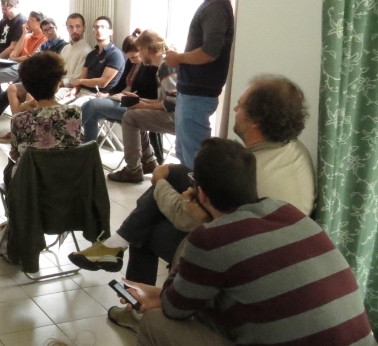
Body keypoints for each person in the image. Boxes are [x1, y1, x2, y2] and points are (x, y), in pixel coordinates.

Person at [69, 76, 317, 313]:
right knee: (178, 172)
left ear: (256, 120)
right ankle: (115, 246)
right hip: (272, 248)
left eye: (240, 106)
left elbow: (187, 219)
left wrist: (160, 182)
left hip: (244, 259)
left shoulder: (249, 172)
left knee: (146, 232)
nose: (234, 110)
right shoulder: (294, 150)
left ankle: (135, 307)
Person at [117, 139, 373, 346]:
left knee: (154, 322)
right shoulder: (288, 212)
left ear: (201, 193)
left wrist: (202, 225)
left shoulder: (210, 238)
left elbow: (173, 310)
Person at [164, 0, 235, 169]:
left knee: (194, 156)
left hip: (198, 95)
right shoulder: (213, 6)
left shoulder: (216, 9)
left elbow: (210, 52)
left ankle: (196, 191)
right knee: (184, 151)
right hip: (192, 92)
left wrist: (179, 58)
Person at [0, 17, 68, 136]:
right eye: (45, 30)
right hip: (34, 77)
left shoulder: (63, 46)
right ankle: (14, 127)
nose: (49, 32)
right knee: (9, 91)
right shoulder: (44, 44)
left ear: (57, 28)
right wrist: (24, 35)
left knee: (14, 92)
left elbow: (57, 70)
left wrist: (18, 59)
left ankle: (16, 128)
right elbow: (31, 58)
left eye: (51, 28)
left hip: (46, 83)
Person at [106, 30, 178, 183]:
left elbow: (173, 102)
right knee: (135, 114)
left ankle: (133, 169)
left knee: (129, 117)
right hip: (175, 114)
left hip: (177, 118)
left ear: (146, 49)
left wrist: (145, 105)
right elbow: (167, 100)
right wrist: (141, 101)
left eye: (139, 50)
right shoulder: (164, 64)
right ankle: (148, 161)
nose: (138, 55)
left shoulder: (166, 66)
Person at [80, 29, 160, 142]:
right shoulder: (131, 63)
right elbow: (121, 84)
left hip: (135, 105)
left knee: (92, 105)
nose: (131, 61)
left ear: (142, 51)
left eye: (134, 57)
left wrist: (127, 97)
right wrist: (108, 94)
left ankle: (67, 134)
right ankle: (89, 150)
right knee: (91, 112)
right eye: (129, 58)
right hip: (123, 99)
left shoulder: (151, 66)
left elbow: (151, 95)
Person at [10, 51, 82, 163]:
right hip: (66, 170)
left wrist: (21, 110)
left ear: (27, 88)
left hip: (31, 172)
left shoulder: (19, 119)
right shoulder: (74, 112)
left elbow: (16, 154)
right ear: (57, 85)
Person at [61, 16, 125, 107]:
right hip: (81, 92)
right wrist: (74, 90)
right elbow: (82, 77)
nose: (99, 30)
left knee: (68, 110)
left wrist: (81, 81)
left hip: (97, 95)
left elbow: (102, 83)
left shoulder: (115, 54)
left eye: (103, 27)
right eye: (96, 27)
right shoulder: (91, 54)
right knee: (54, 103)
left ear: (111, 32)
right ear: (93, 32)